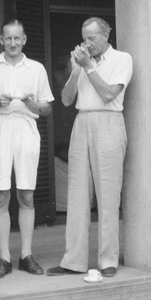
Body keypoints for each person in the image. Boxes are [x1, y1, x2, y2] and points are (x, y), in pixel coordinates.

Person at [47, 17, 132, 279]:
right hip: (82, 121)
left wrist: (90, 68)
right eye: (85, 38)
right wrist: (76, 71)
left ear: (107, 35)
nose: (87, 43)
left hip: (109, 120)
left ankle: (108, 260)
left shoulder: (122, 59)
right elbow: (66, 99)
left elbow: (109, 94)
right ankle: (73, 260)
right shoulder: (81, 62)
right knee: (77, 194)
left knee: (108, 193)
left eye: (92, 38)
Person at [0, 19, 54, 279]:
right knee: (0, 195)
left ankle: (26, 254)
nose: (12, 43)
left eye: (17, 38)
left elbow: (47, 109)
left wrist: (34, 106)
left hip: (25, 128)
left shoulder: (36, 68)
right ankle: (4, 258)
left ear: (24, 40)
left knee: (26, 194)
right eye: (7, 38)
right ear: (1, 40)